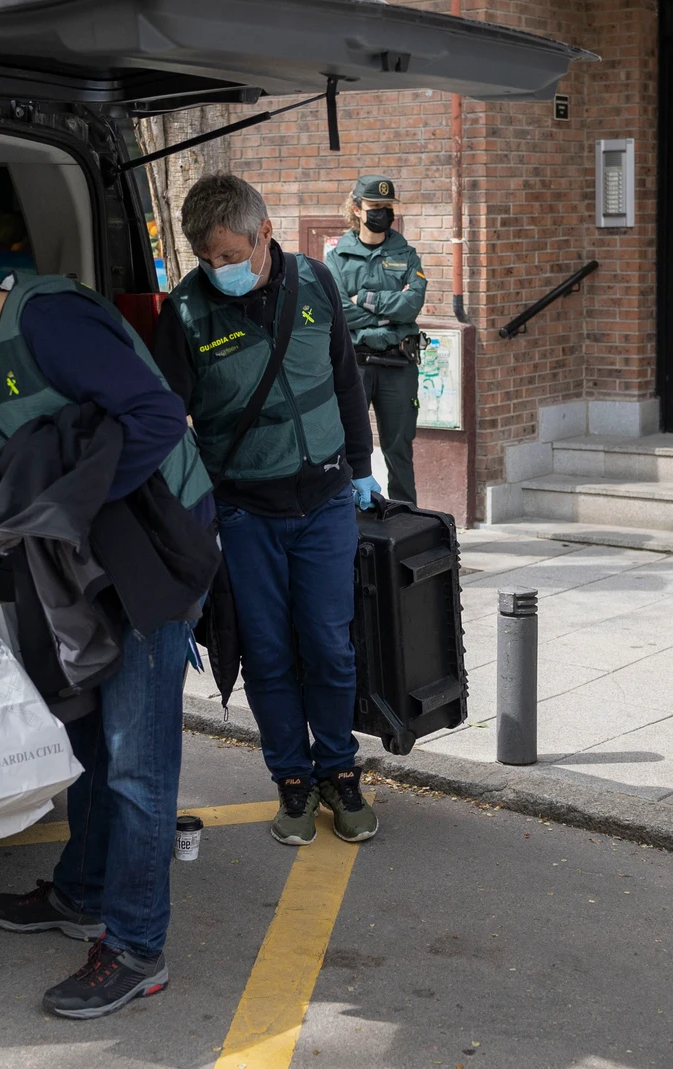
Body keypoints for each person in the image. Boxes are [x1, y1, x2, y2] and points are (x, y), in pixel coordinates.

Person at [0, 247, 211, 1020]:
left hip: (150, 553)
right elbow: (39, 464)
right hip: (87, 558)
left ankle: (135, 948)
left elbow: (159, 418)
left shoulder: (52, 322)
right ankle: (83, 892)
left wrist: (72, 506)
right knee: (89, 736)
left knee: (137, 763)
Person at [150, 174, 382, 847]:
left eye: (229, 253)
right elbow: (165, 420)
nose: (217, 268)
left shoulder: (316, 283)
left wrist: (363, 469)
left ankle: (338, 768)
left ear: (264, 234)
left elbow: (345, 375)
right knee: (270, 656)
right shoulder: (187, 312)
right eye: (207, 258)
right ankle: (291, 779)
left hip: (326, 501)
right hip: (246, 512)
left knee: (331, 648)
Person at [329, 174, 429, 504]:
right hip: (354, 365)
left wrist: (365, 301)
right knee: (346, 446)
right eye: (375, 206)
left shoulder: (407, 254)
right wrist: (390, 307)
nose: (382, 213)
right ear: (357, 209)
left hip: (398, 364)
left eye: (387, 207)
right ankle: (350, 521)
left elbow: (412, 304)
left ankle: (409, 522)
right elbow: (340, 312)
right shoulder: (337, 258)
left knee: (399, 448)